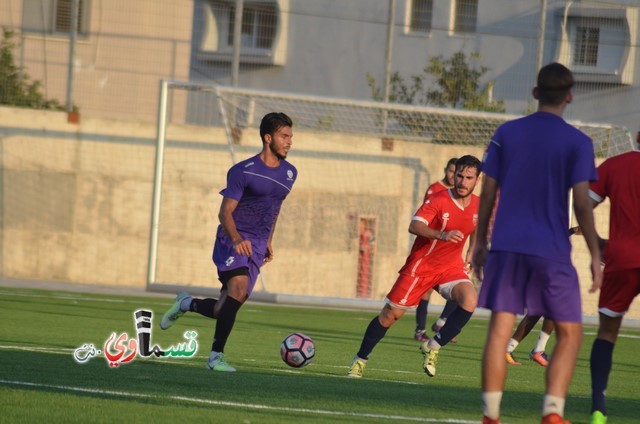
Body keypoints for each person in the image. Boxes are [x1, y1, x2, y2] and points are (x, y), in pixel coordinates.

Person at [471, 62, 602, 424]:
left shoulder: (506, 133)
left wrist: (480, 241)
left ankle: (492, 415)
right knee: (570, 332)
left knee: (499, 330)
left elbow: (487, 193)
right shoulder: (579, 142)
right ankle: (552, 413)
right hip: (552, 251)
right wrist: (593, 253)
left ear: (534, 93)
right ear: (570, 96)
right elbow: (581, 202)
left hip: (507, 246)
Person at [159, 112, 297, 372]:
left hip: (257, 244)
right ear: (268, 138)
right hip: (232, 238)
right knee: (237, 289)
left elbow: (273, 208)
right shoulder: (243, 171)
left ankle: (186, 303)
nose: (289, 142)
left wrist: (268, 240)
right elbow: (224, 213)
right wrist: (236, 239)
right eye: (284, 136)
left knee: (225, 308)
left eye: (291, 137)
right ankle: (215, 357)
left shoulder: (290, 173)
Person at [348, 155, 481, 378]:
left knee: (470, 301)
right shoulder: (439, 199)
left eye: (469, 178)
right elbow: (415, 225)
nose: (463, 182)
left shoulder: (479, 204)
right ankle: (360, 359)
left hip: (450, 267)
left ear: (477, 179)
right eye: (459, 176)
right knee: (390, 315)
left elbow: (477, 225)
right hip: (421, 266)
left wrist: (471, 251)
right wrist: (442, 235)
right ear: (454, 174)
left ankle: (434, 346)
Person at [587, 139, 640, 424]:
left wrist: (596, 244)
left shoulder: (615, 165)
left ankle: (598, 407)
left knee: (607, 333)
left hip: (621, 259)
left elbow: (583, 204)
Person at [414, 157, 460, 342]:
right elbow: (427, 218)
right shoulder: (435, 189)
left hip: (450, 249)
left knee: (460, 286)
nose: (453, 176)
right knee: (425, 290)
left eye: (455, 173)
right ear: (445, 170)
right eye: (450, 171)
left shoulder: (460, 194)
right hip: (432, 246)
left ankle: (442, 321)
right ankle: (419, 331)